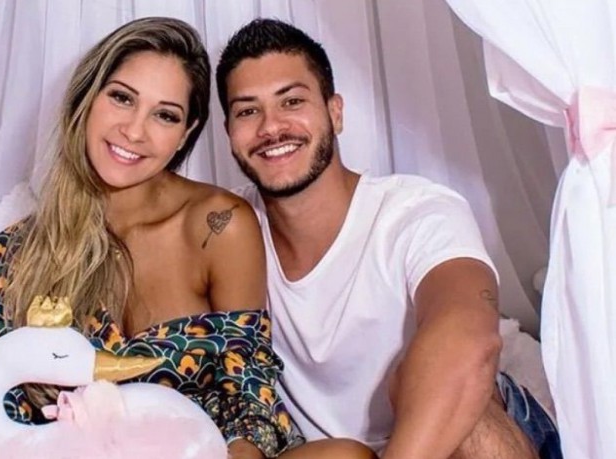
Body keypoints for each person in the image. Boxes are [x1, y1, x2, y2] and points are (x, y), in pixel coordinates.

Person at [0, 17, 317, 459]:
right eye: (122, 98)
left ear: (185, 133)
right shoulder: (18, 253)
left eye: (165, 115)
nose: (134, 131)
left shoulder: (217, 225)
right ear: (86, 98)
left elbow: (248, 382)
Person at [216, 18, 562, 459]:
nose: (271, 127)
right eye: (248, 111)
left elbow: (468, 341)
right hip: (336, 452)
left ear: (335, 112)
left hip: (462, 433)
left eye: (292, 101)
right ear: (229, 133)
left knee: (457, 402)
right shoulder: (225, 231)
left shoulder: (415, 210)